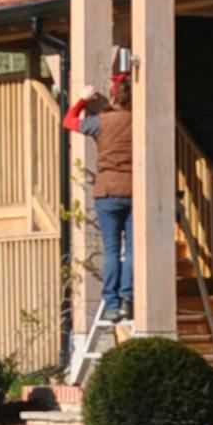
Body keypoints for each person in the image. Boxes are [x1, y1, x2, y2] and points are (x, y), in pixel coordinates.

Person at [70, 61, 137, 327]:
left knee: (111, 249)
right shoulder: (140, 121)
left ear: (113, 94)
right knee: (132, 249)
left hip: (107, 191)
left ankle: (110, 304)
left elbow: (69, 121)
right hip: (134, 189)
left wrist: (82, 101)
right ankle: (128, 297)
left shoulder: (100, 123)